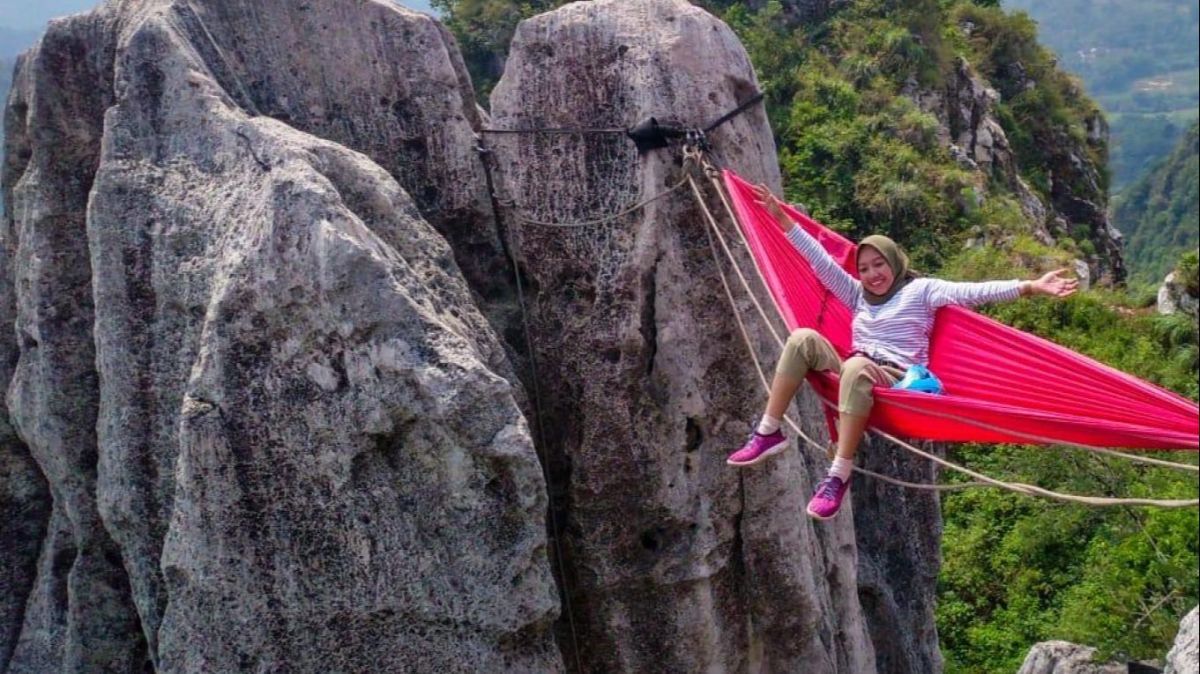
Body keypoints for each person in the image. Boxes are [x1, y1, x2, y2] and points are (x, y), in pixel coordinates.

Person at [727, 184, 1079, 520]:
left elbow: (974, 291)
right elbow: (819, 262)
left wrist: (1031, 286)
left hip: (893, 375)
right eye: (864, 268)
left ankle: (838, 474)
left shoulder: (922, 291)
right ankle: (768, 430)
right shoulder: (856, 295)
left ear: (894, 263)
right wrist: (782, 219)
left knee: (856, 368)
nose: (872, 274)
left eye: (879, 264)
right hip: (854, 367)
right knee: (802, 338)